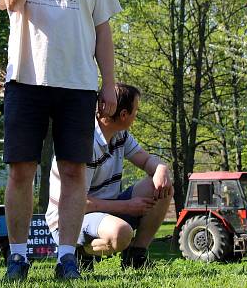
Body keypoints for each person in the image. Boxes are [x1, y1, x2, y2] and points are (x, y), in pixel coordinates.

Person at [0, 0, 121, 280]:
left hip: (78, 84)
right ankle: (18, 257)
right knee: (21, 170)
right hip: (26, 80)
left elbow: (103, 32)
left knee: (72, 170)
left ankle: (67, 257)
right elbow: (10, 4)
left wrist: (109, 82)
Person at [45, 83, 172, 272]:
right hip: (70, 219)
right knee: (121, 233)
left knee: (163, 187)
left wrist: (161, 169)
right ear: (123, 114)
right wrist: (127, 206)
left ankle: (136, 256)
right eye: (135, 110)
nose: (136, 115)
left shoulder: (120, 135)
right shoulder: (86, 144)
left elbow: (146, 161)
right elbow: (80, 202)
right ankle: (79, 253)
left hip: (105, 209)